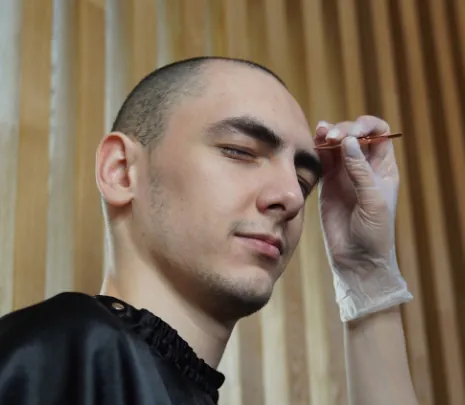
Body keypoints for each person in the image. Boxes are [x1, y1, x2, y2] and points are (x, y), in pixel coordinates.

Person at [0, 56, 418, 405]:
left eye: (305, 182)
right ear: (121, 170)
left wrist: (366, 273)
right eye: (240, 151)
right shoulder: (65, 352)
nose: (291, 197)